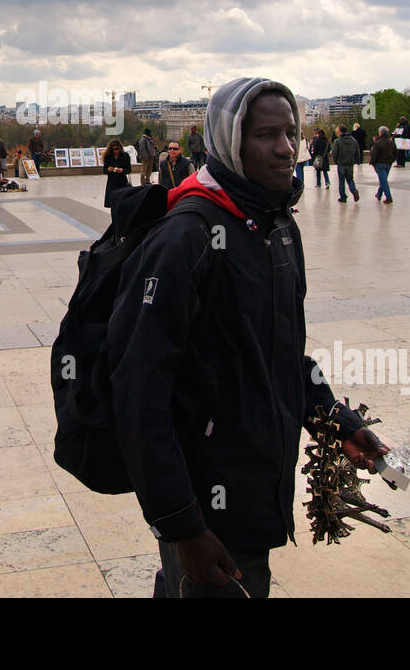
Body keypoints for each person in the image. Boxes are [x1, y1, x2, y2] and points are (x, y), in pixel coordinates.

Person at [107, 78, 390, 599]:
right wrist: (183, 528)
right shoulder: (185, 237)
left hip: (255, 484)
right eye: (266, 134)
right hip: (208, 501)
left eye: (290, 132)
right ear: (228, 141)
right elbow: (138, 394)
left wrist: (336, 420)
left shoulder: (275, 226)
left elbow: (278, 352)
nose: (286, 149)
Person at [329, 124, 360, 203]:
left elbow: (335, 153)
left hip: (341, 164)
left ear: (339, 131)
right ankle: (354, 191)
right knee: (350, 179)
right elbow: (357, 151)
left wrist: (336, 161)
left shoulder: (338, 141)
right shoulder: (353, 140)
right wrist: (356, 160)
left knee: (341, 181)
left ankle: (343, 197)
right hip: (350, 164)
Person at [370, 126, 396, 204]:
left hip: (380, 164)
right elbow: (395, 152)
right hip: (388, 163)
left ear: (380, 133)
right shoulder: (391, 142)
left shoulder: (378, 142)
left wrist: (372, 162)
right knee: (383, 180)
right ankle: (379, 194)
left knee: (383, 181)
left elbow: (374, 154)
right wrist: (392, 160)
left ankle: (389, 197)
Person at [102, 138, 131, 207]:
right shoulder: (108, 156)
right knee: (113, 203)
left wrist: (122, 170)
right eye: (113, 150)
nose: (115, 151)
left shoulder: (125, 156)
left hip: (122, 181)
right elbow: (104, 170)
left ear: (120, 148)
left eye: (117, 149)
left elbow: (129, 170)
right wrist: (109, 169)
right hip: (112, 182)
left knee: (122, 202)